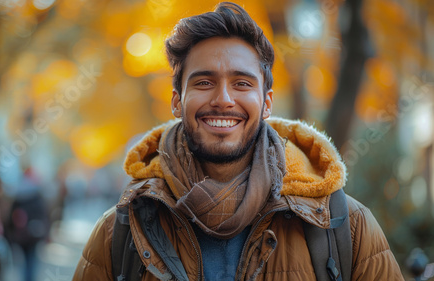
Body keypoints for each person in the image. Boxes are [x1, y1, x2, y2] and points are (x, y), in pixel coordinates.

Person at [73, 2, 404, 280]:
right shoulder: (120, 232)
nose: (223, 99)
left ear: (267, 102)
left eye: (242, 83)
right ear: (177, 101)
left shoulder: (343, 226)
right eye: (204, 82)